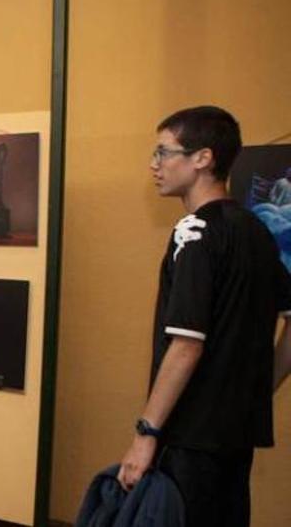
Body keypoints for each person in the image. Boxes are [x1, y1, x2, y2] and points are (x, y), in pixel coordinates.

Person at [117, 106, 291, 526]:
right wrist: (256, 388)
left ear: (203, 158)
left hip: (188, 438)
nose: (154, 165)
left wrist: (146, 435)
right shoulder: (256, 232)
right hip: (235, 435)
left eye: (163, 152)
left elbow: (186, 344)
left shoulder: (192, 231)